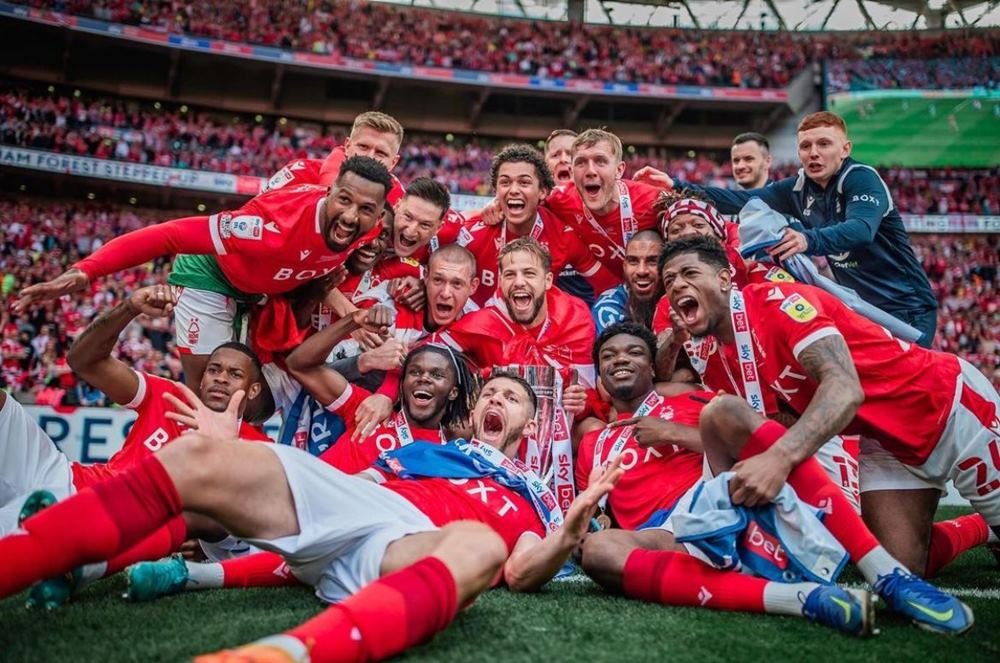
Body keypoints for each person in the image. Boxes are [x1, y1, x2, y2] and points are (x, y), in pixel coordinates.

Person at [0, 373, 622, 662]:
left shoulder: (540, 494)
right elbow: (345, 487)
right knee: (198, 459)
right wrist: (237, 454)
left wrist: (569, 532)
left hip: (414, 546)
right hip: (366, 503)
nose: (496, 400)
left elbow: (521, 569)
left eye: (512, 397)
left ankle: (283, 654)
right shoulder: (425, 447)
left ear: (530, 421)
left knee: (481, 547)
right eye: (489, 392)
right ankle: (40, 555)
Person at [657, 235, 997, 633]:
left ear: (726, 279)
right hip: (883, 442)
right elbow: (778, 419)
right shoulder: (716, 358)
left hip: (945, 406)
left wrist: (780, 458)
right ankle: (980, 527)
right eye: (669, 281)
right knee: (905, 563)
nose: (676, 284)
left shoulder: (779, 303)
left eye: (689, 273)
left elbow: (844, 388)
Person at [576, 323, 872, 636]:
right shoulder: (593, 444)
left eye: (633, 352)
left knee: (726, 410)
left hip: (715, 496)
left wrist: (671, 432)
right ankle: (797, 598)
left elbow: (749, 439)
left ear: (653, 369)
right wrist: (587, 529)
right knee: (598, 551)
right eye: (609, 356)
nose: (620, 359)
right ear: (600, 377)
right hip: (665, 535)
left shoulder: (692, 401)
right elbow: (592, 512)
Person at [15, 157, 394, 391]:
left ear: (378, 216)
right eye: (343, 200)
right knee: (212, 390)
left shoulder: (372, 230)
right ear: (330, 192)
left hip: (261, 293)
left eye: (364, 209)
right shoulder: (268, 224)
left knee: (253, 394)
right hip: (211, 276)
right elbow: (169, 235)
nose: (349, 216)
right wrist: (86, 271)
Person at [639, 112, 939, 347]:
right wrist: (678, 186)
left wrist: (808, 239)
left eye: (824, 144)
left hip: (905, 306)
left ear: (845, 149)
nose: (813, 153)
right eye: (806, 146)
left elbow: (861, 230)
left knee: (914, 388)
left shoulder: (861, 178)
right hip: (862, 305)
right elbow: (741, 200)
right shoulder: (798, 188)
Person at [0, 284, 271, 536]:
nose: (221, 378)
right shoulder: (168, 394)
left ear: (253, 389)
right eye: (214, 370)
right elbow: (83, 361)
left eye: (234, 374)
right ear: (202, 379)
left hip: (99, 516)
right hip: (64, 474)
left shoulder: (257, 447)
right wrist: (129, 308)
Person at [284, 304, 477, 473]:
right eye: (415, 372)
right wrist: (354, 320)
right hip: (306, 503)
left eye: (437, 375)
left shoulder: (443, 458)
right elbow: (299, 365)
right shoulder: (369, 410)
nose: (424, 378)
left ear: (453, 392)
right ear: (402, 384)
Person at [459, 144, 618, 307]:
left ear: (542, 191)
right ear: (496, 190)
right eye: (505, 182)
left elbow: (609, 286)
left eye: (524, 182)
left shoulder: (563, 235)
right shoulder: (474, 231)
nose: (513, 190)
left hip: (536, 326)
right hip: (480, 326)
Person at [544, 129, 661, 278]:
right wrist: (503, 206)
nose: (590, 171)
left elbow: (695, 207)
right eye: (581, 163)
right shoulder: (559, 199)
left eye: (600, 161)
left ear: (619, 170)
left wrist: (677, 184)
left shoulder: (652, 200)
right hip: (606, 289)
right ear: (571, 172)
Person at [591, 231, 663, 332]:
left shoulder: (680, 296)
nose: (641, 271)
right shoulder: (608, 307)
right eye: (633, 261)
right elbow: (623, 347)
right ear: (625, 267)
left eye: (652, 261)